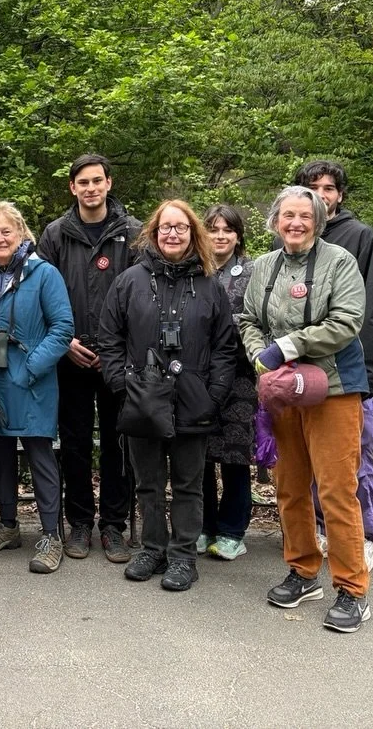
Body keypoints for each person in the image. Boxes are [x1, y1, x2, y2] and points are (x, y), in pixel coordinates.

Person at [240, 185, 371, 631]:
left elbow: (348, 321)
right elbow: (248, 319)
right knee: (290, 486)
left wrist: (289, 345)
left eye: (304, 215)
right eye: (287, 216)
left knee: (336, 490)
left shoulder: (340, 262)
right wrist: (260, 355)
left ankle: (352, 589)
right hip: (283, 391)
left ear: (319, 219)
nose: (295, 223)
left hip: (333, 389)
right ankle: (303, 570)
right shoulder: (264, 266)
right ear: (275, 221)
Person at [99, 201, 237, 592]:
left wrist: (214, 394)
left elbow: (226, 346)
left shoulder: (211, 286)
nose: (172, 234)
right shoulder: (129, 281)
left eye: (180, 228)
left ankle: (183, 556)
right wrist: (121, 385)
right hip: (142, 397)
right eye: (165, 227)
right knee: (148, 482)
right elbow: (109, 338)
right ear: (154, 233)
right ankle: (152, 548)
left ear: (193, 233)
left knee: (189, 483)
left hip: (194, 398)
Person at [37, 154, 140, 563]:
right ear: (72, 187)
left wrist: (117, 349)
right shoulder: (56, 234)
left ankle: (113, 526)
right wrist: (63, 343)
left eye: (98, 181)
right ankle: (79, 523)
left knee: (119, 442)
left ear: (109, 184)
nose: (91, 188)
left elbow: (142, 298)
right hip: (70, 355)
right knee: (75, 442)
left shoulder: (133, 233)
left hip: (117, 359)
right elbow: (39, 294)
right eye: (83, 182)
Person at [0, 203, 73, 574]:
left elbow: (63, 328)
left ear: (21, 234)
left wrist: (30, 368)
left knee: (39, 454)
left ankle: (49, 535)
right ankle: (9, 525)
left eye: (6, 232)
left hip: (31, 381)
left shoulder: (44, 274)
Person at [294, 159, 373, 568]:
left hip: (350, 374)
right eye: (312, 186)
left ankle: (363, 534)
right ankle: (321, 530)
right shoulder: (292, 236)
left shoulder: (360, 237)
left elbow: (372, 311)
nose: (320, 194)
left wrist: (367, 375)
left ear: (340, 195)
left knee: (354, 460)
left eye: (328, 187)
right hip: (306, 376)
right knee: (314, 462)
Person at [200, 204, 258, 561]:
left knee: (235, 458)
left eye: (228, 230)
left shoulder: (252, 272)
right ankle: (202, 526)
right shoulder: (196, 269)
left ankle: (232, 531)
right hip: (200, 380)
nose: (220, 236)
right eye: (213, 229)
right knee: (199, 457)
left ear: (238, 236)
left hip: (239, 380)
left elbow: (256, 319)